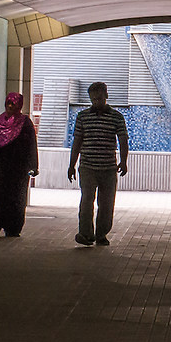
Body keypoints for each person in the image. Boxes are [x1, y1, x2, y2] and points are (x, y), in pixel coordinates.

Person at [67, 80, 129, 246]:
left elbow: (123, 140)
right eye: (94, 99)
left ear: (106, 96)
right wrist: (71, 165)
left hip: (108, 168)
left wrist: (123, 161)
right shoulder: (82, 117)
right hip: (87, 166)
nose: (97, 102)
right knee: (87, 200)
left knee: (107, 203)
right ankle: (85, 234)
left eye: (100, 98)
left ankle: (101, 234)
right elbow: (77, 142)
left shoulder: (117, 117)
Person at [0, 91, 37, 237]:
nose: (10, 106)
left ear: (19, 105)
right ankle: (0, 219)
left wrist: (34, 165)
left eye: (14, 103)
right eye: (8, 103)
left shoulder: (25, 122)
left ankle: (12, 228)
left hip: (18, 168)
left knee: (16, 198)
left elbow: (31, 145)